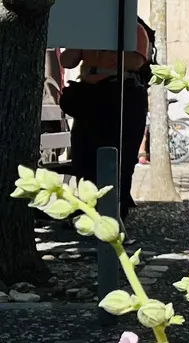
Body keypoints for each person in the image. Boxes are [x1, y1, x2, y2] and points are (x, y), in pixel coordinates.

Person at [58, 17, 153, 217]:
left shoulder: (133, 29)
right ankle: (89, 212)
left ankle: (116, 214)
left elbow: (136, 61)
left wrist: (104, 55)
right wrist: (83, 39)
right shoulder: (88, 30)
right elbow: (66, 61)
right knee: (84, 158)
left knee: (120, 161)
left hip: (120, 97)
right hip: (89, 100)